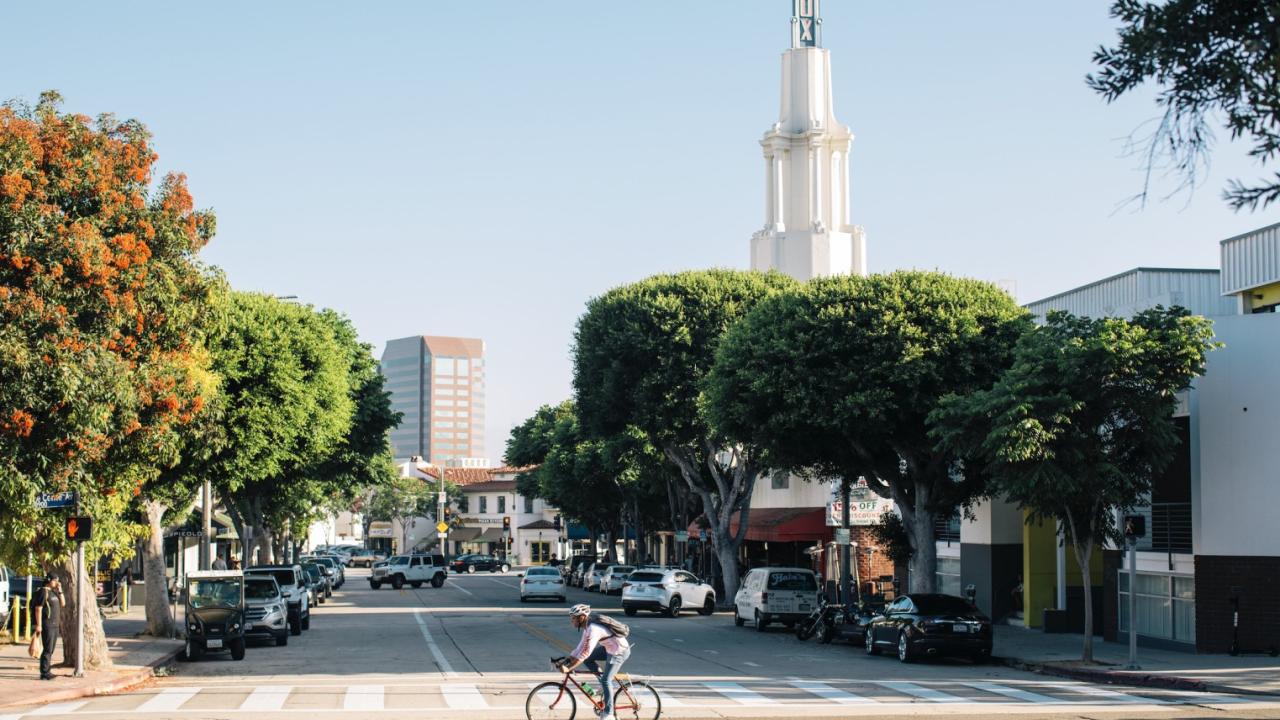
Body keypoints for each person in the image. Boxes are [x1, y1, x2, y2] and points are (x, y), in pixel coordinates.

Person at [560, 604, 630, 720]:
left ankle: (609, 714)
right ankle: (603, 685)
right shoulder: (587, 627)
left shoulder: (593, 629)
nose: (571, 621)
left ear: (582, 617)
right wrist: (567, 660)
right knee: (589, 662)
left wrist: (569, 667)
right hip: (609, 648)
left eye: (573, 618)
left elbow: (585, 652)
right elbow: (579, 648)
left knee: (606, 680)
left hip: (619, 650)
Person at [33, 574, 65, 681]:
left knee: (51, 649)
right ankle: (44, 672)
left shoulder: (53, 592)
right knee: (47, 649)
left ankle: (47, 670)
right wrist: (39, 625)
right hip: (47, 624)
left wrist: (60, 590)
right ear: (49, 580)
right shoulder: (43, 591)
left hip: (55, 624)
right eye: (55, 580)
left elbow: (63, 603)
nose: (57, 582)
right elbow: (38, 608)